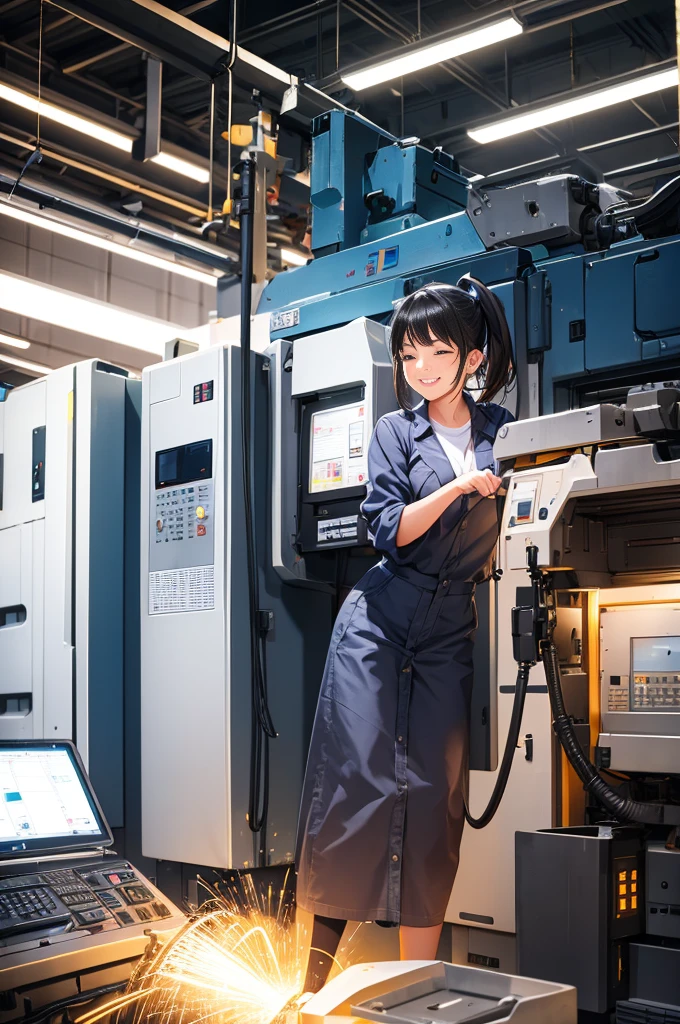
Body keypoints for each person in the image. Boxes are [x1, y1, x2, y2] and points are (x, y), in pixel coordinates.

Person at [296, 276, 516, 992]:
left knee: (433, 802)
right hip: (379, 628)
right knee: (355, 788)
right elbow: (389, 530)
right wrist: (456, 489)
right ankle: (313, 986)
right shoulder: (396, 432)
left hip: (451, 630)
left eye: (437, 353)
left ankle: (415, 987)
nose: (421, 369)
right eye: (409, 354)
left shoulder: (502, 432)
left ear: (472, 358)